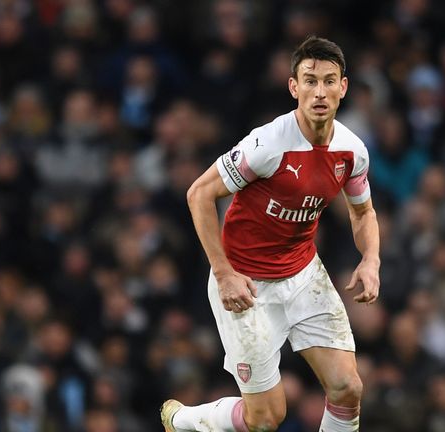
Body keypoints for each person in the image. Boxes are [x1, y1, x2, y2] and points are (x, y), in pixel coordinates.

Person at [160, 36, 380, 432]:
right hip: (246, 281)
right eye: (309, 81)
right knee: (265, 419)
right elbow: (199, 193)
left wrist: (371, 260)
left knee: (348, 387)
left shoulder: (352, 150)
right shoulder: (267, 144)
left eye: (329, 81)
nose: (319, 91)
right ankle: (182, 419)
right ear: (293, 87)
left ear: (343, 88)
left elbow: (362, 212)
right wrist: (224, 273)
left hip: (303, 273)